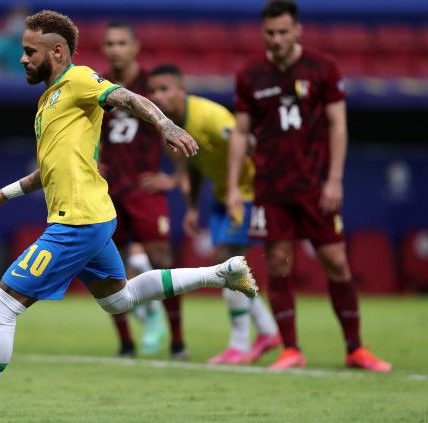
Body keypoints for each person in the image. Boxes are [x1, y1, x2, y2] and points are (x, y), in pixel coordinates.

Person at [0, 10, 258, 423]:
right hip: (90, 218)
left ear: (57, 52)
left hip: (76, 223)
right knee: (120, 299)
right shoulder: (49, 100)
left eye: (29, 52)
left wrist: (165, 125)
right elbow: (50, 170)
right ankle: (222, 272)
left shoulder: (78, 81)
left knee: (1, 306)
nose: (22, 59)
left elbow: (129, 97)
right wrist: (3, 195)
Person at [226, 0, 390, 372]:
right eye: (270, 33)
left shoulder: (324, 68)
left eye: (284, 32)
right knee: (280, 265)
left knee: (336, 261)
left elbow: (338, 125)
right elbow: (240, 133)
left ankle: (355, 349)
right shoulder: (251, 73)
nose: (277, 39)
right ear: (262, 32)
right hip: (271, 188)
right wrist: (235, 186)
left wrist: (334, 179)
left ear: (297, 30)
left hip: (316, 186)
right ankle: (291, 349)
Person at [147, 64, 281, 365]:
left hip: (246, 193)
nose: (158, 96)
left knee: (230, 264)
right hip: (224, 195)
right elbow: (193, 167)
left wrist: (250, 190)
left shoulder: (209, 116)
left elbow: (246, 142)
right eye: (153, 91)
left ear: (182, 89)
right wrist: (193, 207)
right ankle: (268, 332)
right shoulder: (169, 126)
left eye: (164, 89)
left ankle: (239, 344)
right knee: (229, 264)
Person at [98, 21, 183, 359]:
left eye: (121, 43)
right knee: (108, 267)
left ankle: (177, 341)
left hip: (145, 190)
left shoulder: (152, 86)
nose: (115, 49)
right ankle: (125, 343)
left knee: (163, 259)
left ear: (135, 48)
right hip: (108, 192)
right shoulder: (96, 86)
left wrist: (174, 179)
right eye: (109, 43)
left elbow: (180, 129)